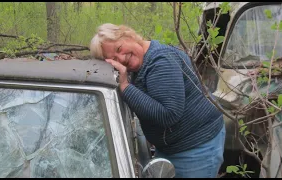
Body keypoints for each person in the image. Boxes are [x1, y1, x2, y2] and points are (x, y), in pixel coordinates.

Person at [90, 23, 226, 178]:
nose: (121, 58)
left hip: (196, 148)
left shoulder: (161, 61)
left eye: (119, 49)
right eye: (114, 59)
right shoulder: (141, 65)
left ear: (128, 35)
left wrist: (125, 86)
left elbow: (168, 114)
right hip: (173, 147)